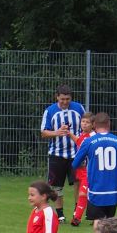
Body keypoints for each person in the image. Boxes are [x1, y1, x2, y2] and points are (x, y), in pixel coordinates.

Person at [71, 112, 117, 222]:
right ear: (109, 123)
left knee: (98, 222)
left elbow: (75, 164)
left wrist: (88, 162)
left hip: (96, 190)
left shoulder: (88, 142)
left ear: (94, 124)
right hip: (113, 191)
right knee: (109, 222)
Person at [39, 85, 86, 222]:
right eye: (62, 99)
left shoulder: (79, 108)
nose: (65, 102)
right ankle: (60, 215)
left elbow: (86, 125)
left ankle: (77, 213)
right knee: (56, 186)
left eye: (67, 99)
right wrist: (57, 132)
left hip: (76, 154)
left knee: (78, 183)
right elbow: (43, 133)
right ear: (57, 97)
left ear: (71, 98)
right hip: (57, 154)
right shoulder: (50, 111)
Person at [69, 114, 94, 226]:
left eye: (87, 122)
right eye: (83, 121)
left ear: (93, 125)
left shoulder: (92, 136)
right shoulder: (83, 135)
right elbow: (79, 142)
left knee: (83, 193)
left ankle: (77, 218)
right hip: (82, 169)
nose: (84, 124)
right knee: (86, 193)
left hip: (89, 170)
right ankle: (96, 217)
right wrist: (69, 134)